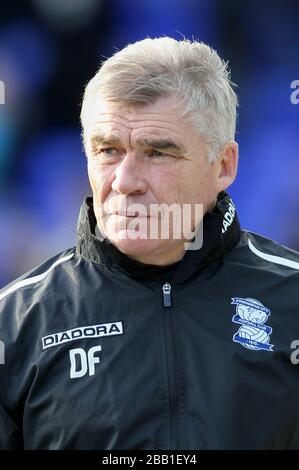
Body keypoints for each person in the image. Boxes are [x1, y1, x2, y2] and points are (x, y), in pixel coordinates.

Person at [1, 37, 299, 451]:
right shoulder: (14, 324)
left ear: (224, 165)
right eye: (107, 150)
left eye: (157, 153)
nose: (124, 181)